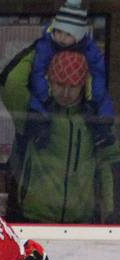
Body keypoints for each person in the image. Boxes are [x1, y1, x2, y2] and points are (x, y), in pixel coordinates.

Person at [0, 49, 120, 223]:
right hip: (33, 218)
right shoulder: (34, 113)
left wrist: (111, 213)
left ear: (84, 86)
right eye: (59, 84)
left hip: (81, 221)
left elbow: (109, 165)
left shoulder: (96, 120)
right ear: (49, 82)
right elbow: (9, 83)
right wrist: (44, 46)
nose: (65, 92)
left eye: (73, 86)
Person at [27, 0, 115, 149]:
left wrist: (94, 99)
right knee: (36, 105)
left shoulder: (89, 49)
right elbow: (37, 73)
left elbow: (98, 75)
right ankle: (40, 131)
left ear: (79, 35)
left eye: (68, 34)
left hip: (82, 90)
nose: (61, 38)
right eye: (58, 32)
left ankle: (102, 132)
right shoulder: (46, 46)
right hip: (50, 89)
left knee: (103, 104)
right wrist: (45, 96)